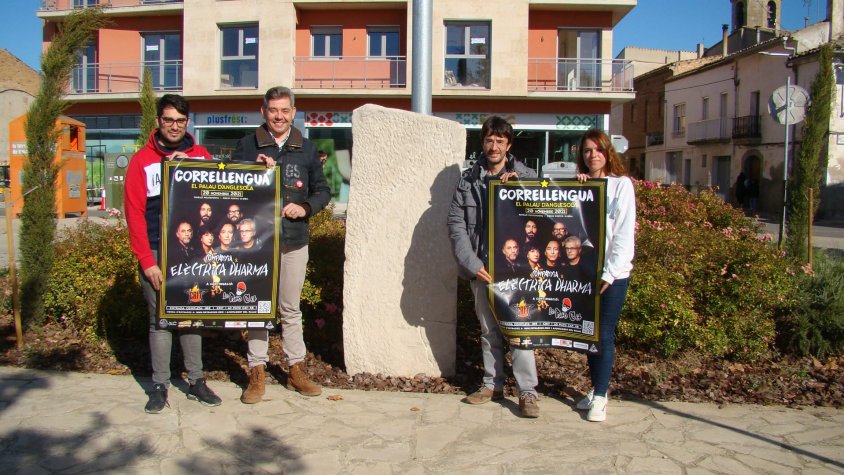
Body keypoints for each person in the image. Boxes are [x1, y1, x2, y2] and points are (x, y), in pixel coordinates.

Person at [232, 86, 331, 403]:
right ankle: (257, 371)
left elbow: (322, 191)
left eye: (285, 110)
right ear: (263, 111)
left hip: (293, 241)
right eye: (273, 110)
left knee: (290, 308)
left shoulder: (307, 148)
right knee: (257, 307)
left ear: (293, 112)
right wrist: (251, 171)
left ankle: (296, 369)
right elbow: (230, 187)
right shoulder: (247, 146)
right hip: (256, 244)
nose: (279, 116)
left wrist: (305, 208)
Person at [124, 93, 222, 414]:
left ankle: (195, 380)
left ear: (187, 122)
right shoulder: (142, 161)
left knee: (192, 318)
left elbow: (232, 184)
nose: (175, 126)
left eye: (181, 120)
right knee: (160, 321)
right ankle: (160, 385)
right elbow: (134, 215)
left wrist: (264, 170)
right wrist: (147, 261)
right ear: (158, 122)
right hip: (156, 251)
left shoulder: (201, 155)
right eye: (169, 120)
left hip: (192, 253)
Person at [447, 115, 541, 418]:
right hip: (483, 269)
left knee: (521, 331)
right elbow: (456, 223)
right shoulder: (469, 179)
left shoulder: (526, 175)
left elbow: (546, 216)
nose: (494, 146)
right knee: (488, 331)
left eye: (500, 141)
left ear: (509, 145)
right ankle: (492, 384)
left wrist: (521, 189)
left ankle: (528, 391)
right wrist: (471, 263)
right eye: (489, 140)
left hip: (518, 272)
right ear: (483, 143)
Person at [574, 128, 635, 423]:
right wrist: (579, 190)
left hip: (613, 276)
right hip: (585, 274)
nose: (592, 155)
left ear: (607, 152)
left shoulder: (622, 185)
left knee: (605, 334)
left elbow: (624, 235)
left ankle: (600, 394)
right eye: (587, 150)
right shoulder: (581, 186)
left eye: (597, 149)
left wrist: (609, 273)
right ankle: (595, 389)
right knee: (589, 334)